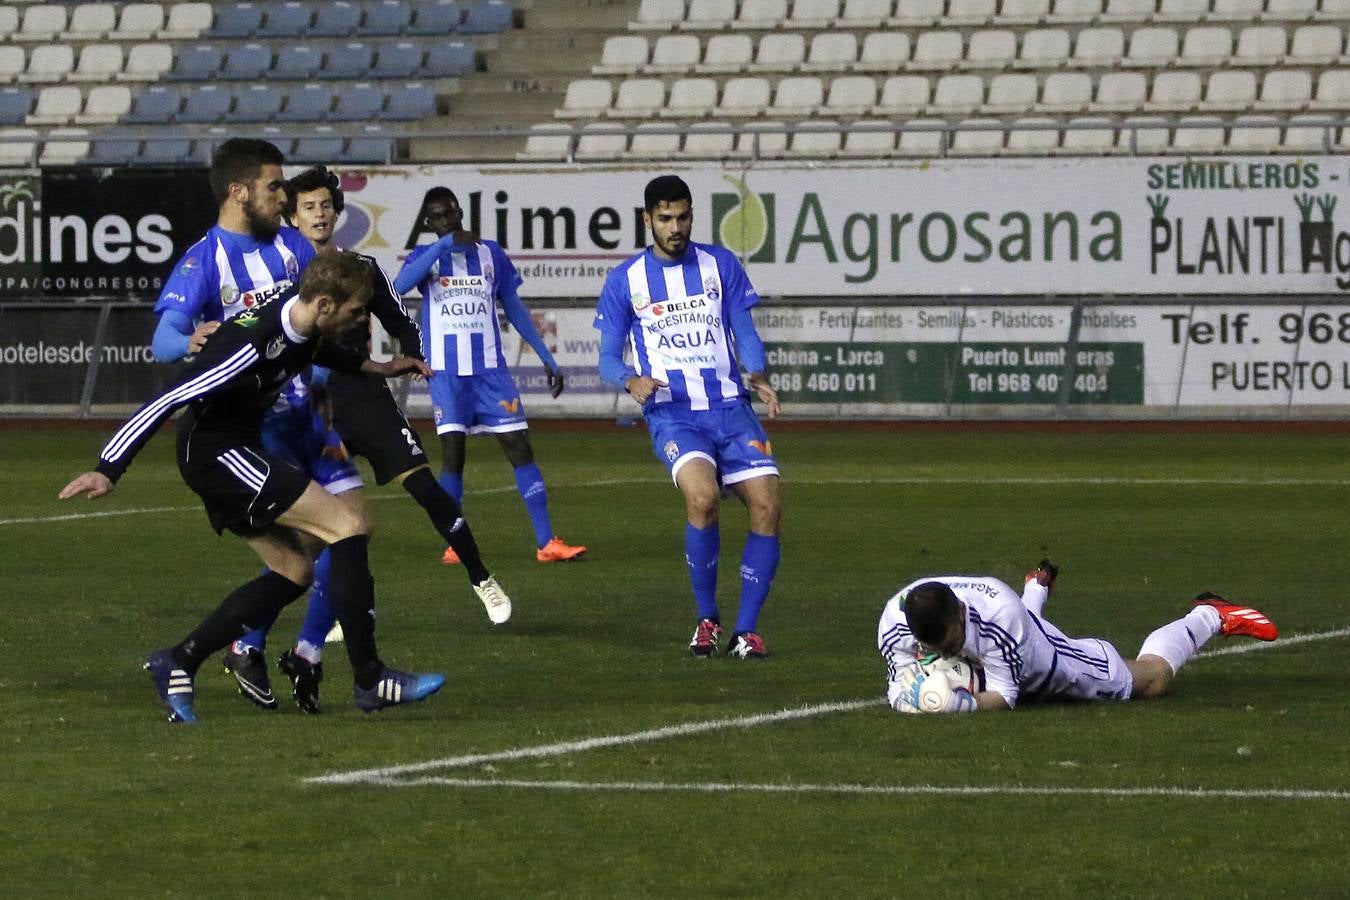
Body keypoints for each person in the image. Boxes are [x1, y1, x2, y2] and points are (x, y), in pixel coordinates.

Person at [59, 252, 444, 723]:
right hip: (216, 454)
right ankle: (370, 678)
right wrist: (108, 468)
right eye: (357, 310)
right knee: (348, 526)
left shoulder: (301, 316)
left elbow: (314, 349)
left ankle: (179, 660)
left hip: (234, 447)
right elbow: (167, 399)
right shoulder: (249, 346)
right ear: (325, 304)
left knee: (294, 570)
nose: (362, 319)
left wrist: (377, 368)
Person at [266, 165, 512, 713]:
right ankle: (278, 640)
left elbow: (401, 322)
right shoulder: (282, 271)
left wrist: (411, 353)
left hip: (363, 396)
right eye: (309, 207)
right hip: (309, 407)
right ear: (293, 217)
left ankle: (481, 577)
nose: (320, 214)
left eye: (327, 205)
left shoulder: (362, 270)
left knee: (425, 488)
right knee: (314, 532)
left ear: (338, 213)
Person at [149, 137, 353, 712]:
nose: (284, 197)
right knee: (342, 528)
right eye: (274, 186)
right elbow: (164, 337)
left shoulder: (291, 245)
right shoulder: (204, 260)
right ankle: (350, 668)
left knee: (305, 555)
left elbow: (320, 310)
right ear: (239, 191)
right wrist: (187, 339)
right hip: (248, 428)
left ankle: (227, 649)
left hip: (306, 410)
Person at [594, 175, 782, 659]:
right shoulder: (626, 280)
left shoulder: (721, 264)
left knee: (767, 506)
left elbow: (744, 330)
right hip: (674, 414)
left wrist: (758, 373)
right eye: (665, 218)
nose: (675, 227)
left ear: (692, 215)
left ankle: (746, 631)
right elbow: (607, 358)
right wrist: (630, 380)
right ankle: (707, 619)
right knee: (702, 499)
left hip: (731, 409)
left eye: (682, 217)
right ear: (647, 220)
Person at [393, 186, 585, 566]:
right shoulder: (425, 257)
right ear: (429, 223)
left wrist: (547, 358)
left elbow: (514, 308)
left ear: (460, 212)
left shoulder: (490, 254)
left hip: (490, 371)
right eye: (437, 217)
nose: (446, 220)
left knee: (519, 447)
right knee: (453, 456)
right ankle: (455, 543)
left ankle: (546, 542)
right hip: (446, 373)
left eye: (450, 213)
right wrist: (443, 245)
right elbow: (397, 287)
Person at [877, 559, 1279, 714]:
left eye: (951, 643)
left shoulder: (1000, 618)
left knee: (1150, 680)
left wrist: (958, 705)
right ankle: (1036, 587)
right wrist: (910, 700)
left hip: (1042, 662)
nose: (944, 652)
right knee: (1014, 626)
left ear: (962, 613)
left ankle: (1210, 614)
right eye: (933, 648)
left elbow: (1005, 696)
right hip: (1011, 632)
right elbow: (899, 686)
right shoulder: (894, 623)